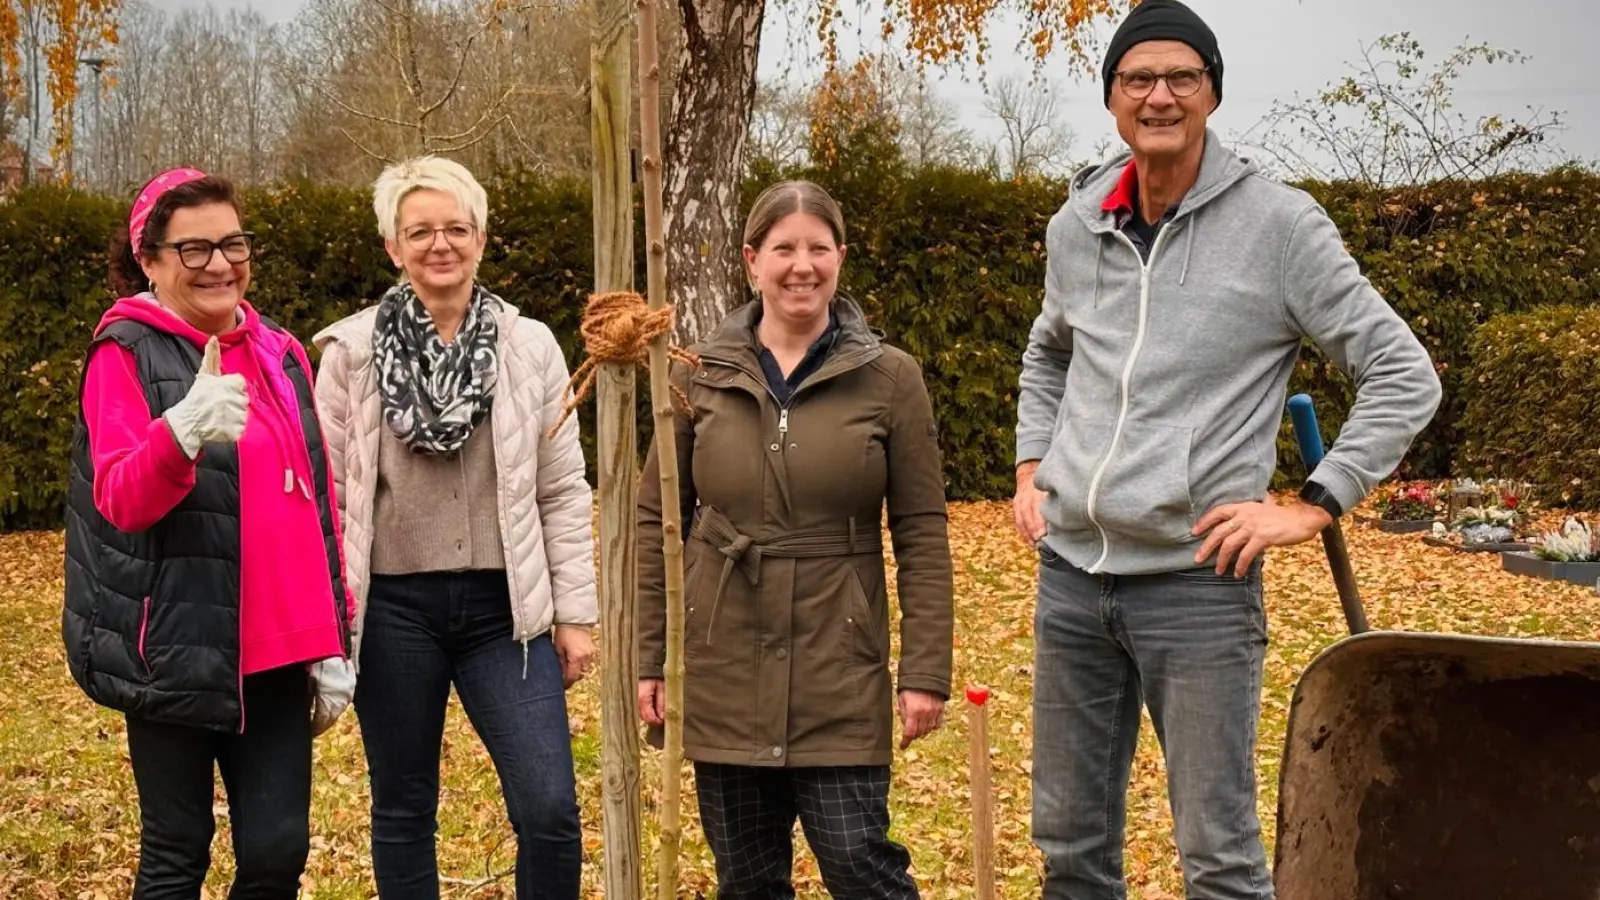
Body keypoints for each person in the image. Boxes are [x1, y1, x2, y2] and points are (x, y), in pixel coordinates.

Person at [1011, 3, 1444, 898]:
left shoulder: (1280, 227)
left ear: (1211, 93)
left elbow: (1404, 372)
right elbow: (1049, 350)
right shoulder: (1079, 220)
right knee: (1070, 850)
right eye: (1139, 79)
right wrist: (1030, 466)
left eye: (1183, 78)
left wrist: (1312, 503)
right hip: (1071, 579)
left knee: (1218, 856)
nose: (1159, 95)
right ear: (1112, 97)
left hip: (1195, 583)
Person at [636, 179, 954, 899]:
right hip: (722, 660)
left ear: (840, 258)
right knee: (747, 879)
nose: (800, 265)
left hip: (837, 658)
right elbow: (657, 523)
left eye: (817, 248)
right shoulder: (698, 376)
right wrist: (650, 657)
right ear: (752, 261)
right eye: (783, 248)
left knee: (858, 861)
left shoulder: (889, 378)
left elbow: (922, 531)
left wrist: (926, 669)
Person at [61, 167, 358, 900]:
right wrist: (181, 433)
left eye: (232, 243)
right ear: (150, 261)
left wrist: (332, 637)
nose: (220, 264)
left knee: (278, 853)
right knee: (176, 854)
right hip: (172, 649)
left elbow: (314, 502)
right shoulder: (124, 353)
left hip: (276, 651)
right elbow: (122, 500)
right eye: (193, 249)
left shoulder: (283, 354)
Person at [312, 154, 597, 900]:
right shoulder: (350, 353)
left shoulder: (529, 346)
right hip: (394, 614)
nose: (440, 245)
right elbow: (326, 500)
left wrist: (575, 615)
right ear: (392, 247)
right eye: (420, 232)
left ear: (480, 237)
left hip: (506, 615)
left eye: (456, 229)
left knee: (549, 809)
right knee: (404, 807)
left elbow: (563, 489)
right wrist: (328, 623)